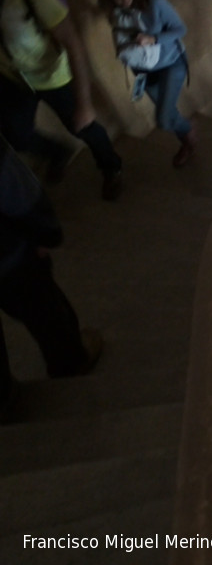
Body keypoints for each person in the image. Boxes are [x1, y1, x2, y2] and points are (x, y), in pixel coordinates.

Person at [0, 136, 102, 418]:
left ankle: (5, 401)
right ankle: (71, 362)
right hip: (11, 262)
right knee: (46, 313)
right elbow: (23, 198)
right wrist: (47, 234)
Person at [0, 0, 125, 200]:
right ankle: (57, 152)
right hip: (12, 79)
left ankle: (111, 166)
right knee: (17, 135)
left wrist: (84, 103)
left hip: (50, 76)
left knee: (83, 126)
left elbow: (73, 43)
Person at [99, 0, 196, 167]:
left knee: (164, 119)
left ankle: (187, 129)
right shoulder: (113, 10)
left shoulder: (154, 2)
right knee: (167, 112)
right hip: (143, 69)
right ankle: (186, 142)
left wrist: (153, 38)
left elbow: (181, 29)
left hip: (170, 63)